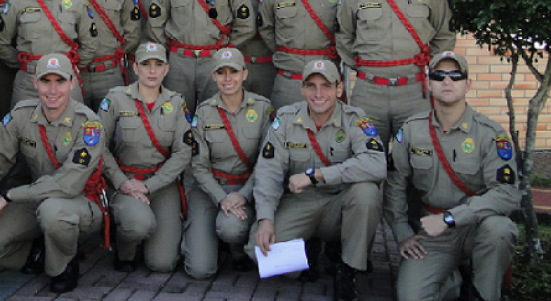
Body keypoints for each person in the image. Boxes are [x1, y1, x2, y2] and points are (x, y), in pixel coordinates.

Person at [248, 59, 386, 301]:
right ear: (302, 89)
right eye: (311, 86)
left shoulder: (355, 119)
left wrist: (318, 175)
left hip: (340, 202)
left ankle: (347, 269)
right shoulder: (286, 119)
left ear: (339, 89)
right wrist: (266, 219)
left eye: (326, 86)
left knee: (367, 192)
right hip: (301, 202)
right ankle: (306, 249)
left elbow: (377, 164)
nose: (318, 93)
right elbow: (268, 170)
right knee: (257, 251)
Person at [386, 52, 519, 301]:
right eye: (439, 75)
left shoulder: (490, 134)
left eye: (456, 76)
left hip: (477, 227)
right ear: (429, 83)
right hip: (433, 232)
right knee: (410, 297)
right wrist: (402, 232)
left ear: (467, 84)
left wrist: (451, 218)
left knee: (500, 228)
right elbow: (395, 184)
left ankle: (484, 293)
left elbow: (506, 193)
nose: (447, 81)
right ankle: (453, 280)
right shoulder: (412, 130)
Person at [0, 54, 108, 294]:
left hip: (80, 202)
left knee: (53, 212)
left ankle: (63, 265)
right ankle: (36, 255)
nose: (53, 89)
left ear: (72, 83)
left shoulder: (89, 124)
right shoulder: (21, 115)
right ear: (35, 83)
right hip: (35, 199)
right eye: (46, 81)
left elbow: (69, 185)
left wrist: (10, 195)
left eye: (60, 81)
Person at [336, 0, 455, 144]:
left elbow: (444, 36)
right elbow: (343, 36)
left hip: (414, 91)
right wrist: (365, 65)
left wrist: (428, 66)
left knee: (417, 159)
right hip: (368, 91)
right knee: (366, 157)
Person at [98, 42, 191, 273]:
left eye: (158, 65)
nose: (152, 71)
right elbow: (99, 146)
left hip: (161, 184)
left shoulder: (176, 103)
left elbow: (183, 152)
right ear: (135, 68)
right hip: (126, 180)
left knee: (162, 263)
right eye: (146, 65)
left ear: (166, 69)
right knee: (139, 224)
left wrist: (149, 186)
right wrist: (122, 183)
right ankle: (125, 250)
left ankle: (146, 236)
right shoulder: (116, 98)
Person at [182, 47, 274, 278]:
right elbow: (198, 166)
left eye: (233, 71)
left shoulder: (263, 109)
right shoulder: (204, 113)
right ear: (213, 76)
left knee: (231, 228)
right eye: (221, 72)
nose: (227, 78)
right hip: (209, 189)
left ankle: (236, 249)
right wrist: (221, 198)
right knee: (200, 270)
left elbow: (267, 163)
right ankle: (204, 238)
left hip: (246, 188)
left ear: (244, 74)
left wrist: (242, 195)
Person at [0, 0, 97, 105]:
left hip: (65, 83)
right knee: (24, 129)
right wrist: (26, 63)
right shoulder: (18, 2)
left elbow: (90, 45)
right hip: (28, 83)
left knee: (70, 129)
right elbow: (1, 42)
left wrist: (67, 66)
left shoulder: (78, 2)